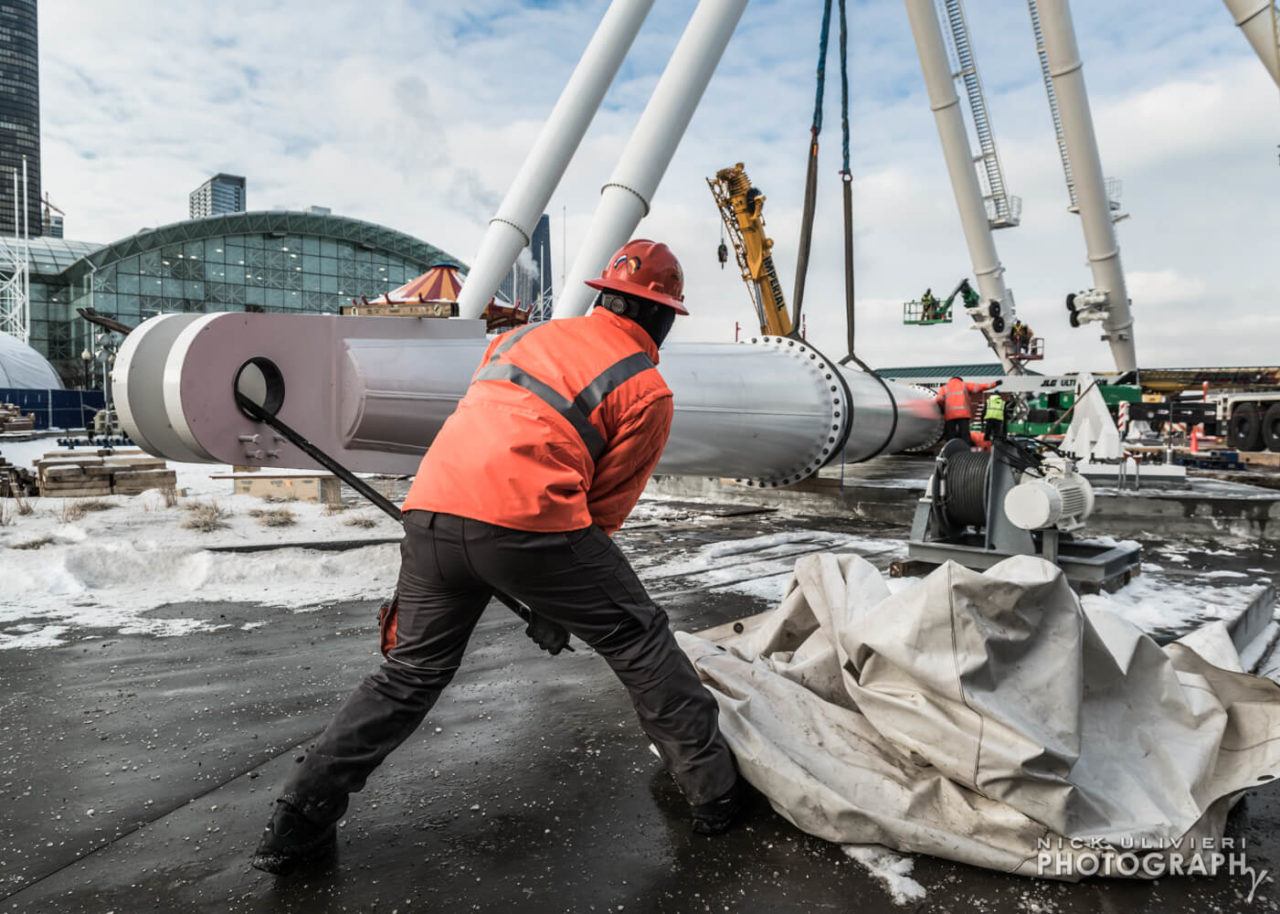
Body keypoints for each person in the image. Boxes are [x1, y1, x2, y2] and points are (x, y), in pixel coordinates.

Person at [251, 240, 743, 875]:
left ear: (603, 296)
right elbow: (600, 512)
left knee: (409, 675)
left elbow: (495, 429)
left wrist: (549, 594)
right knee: (639, 639)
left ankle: (297, 821)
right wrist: (557, 599)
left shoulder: (516, 342)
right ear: (663, 315)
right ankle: (718, 796)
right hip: (529, 521)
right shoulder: (647, 389)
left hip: (430, 513)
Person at [936, 375, 1001, 444]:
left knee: (951, 435)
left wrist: (943, 408)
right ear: (960, 380)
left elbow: (939, 399)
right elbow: (981, 387)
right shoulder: (965, 385)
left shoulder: (944, 388)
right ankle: (966, 451)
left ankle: (951, 450)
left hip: (950, 415)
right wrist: (995, 383)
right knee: (964, 434)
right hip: (963, 415)